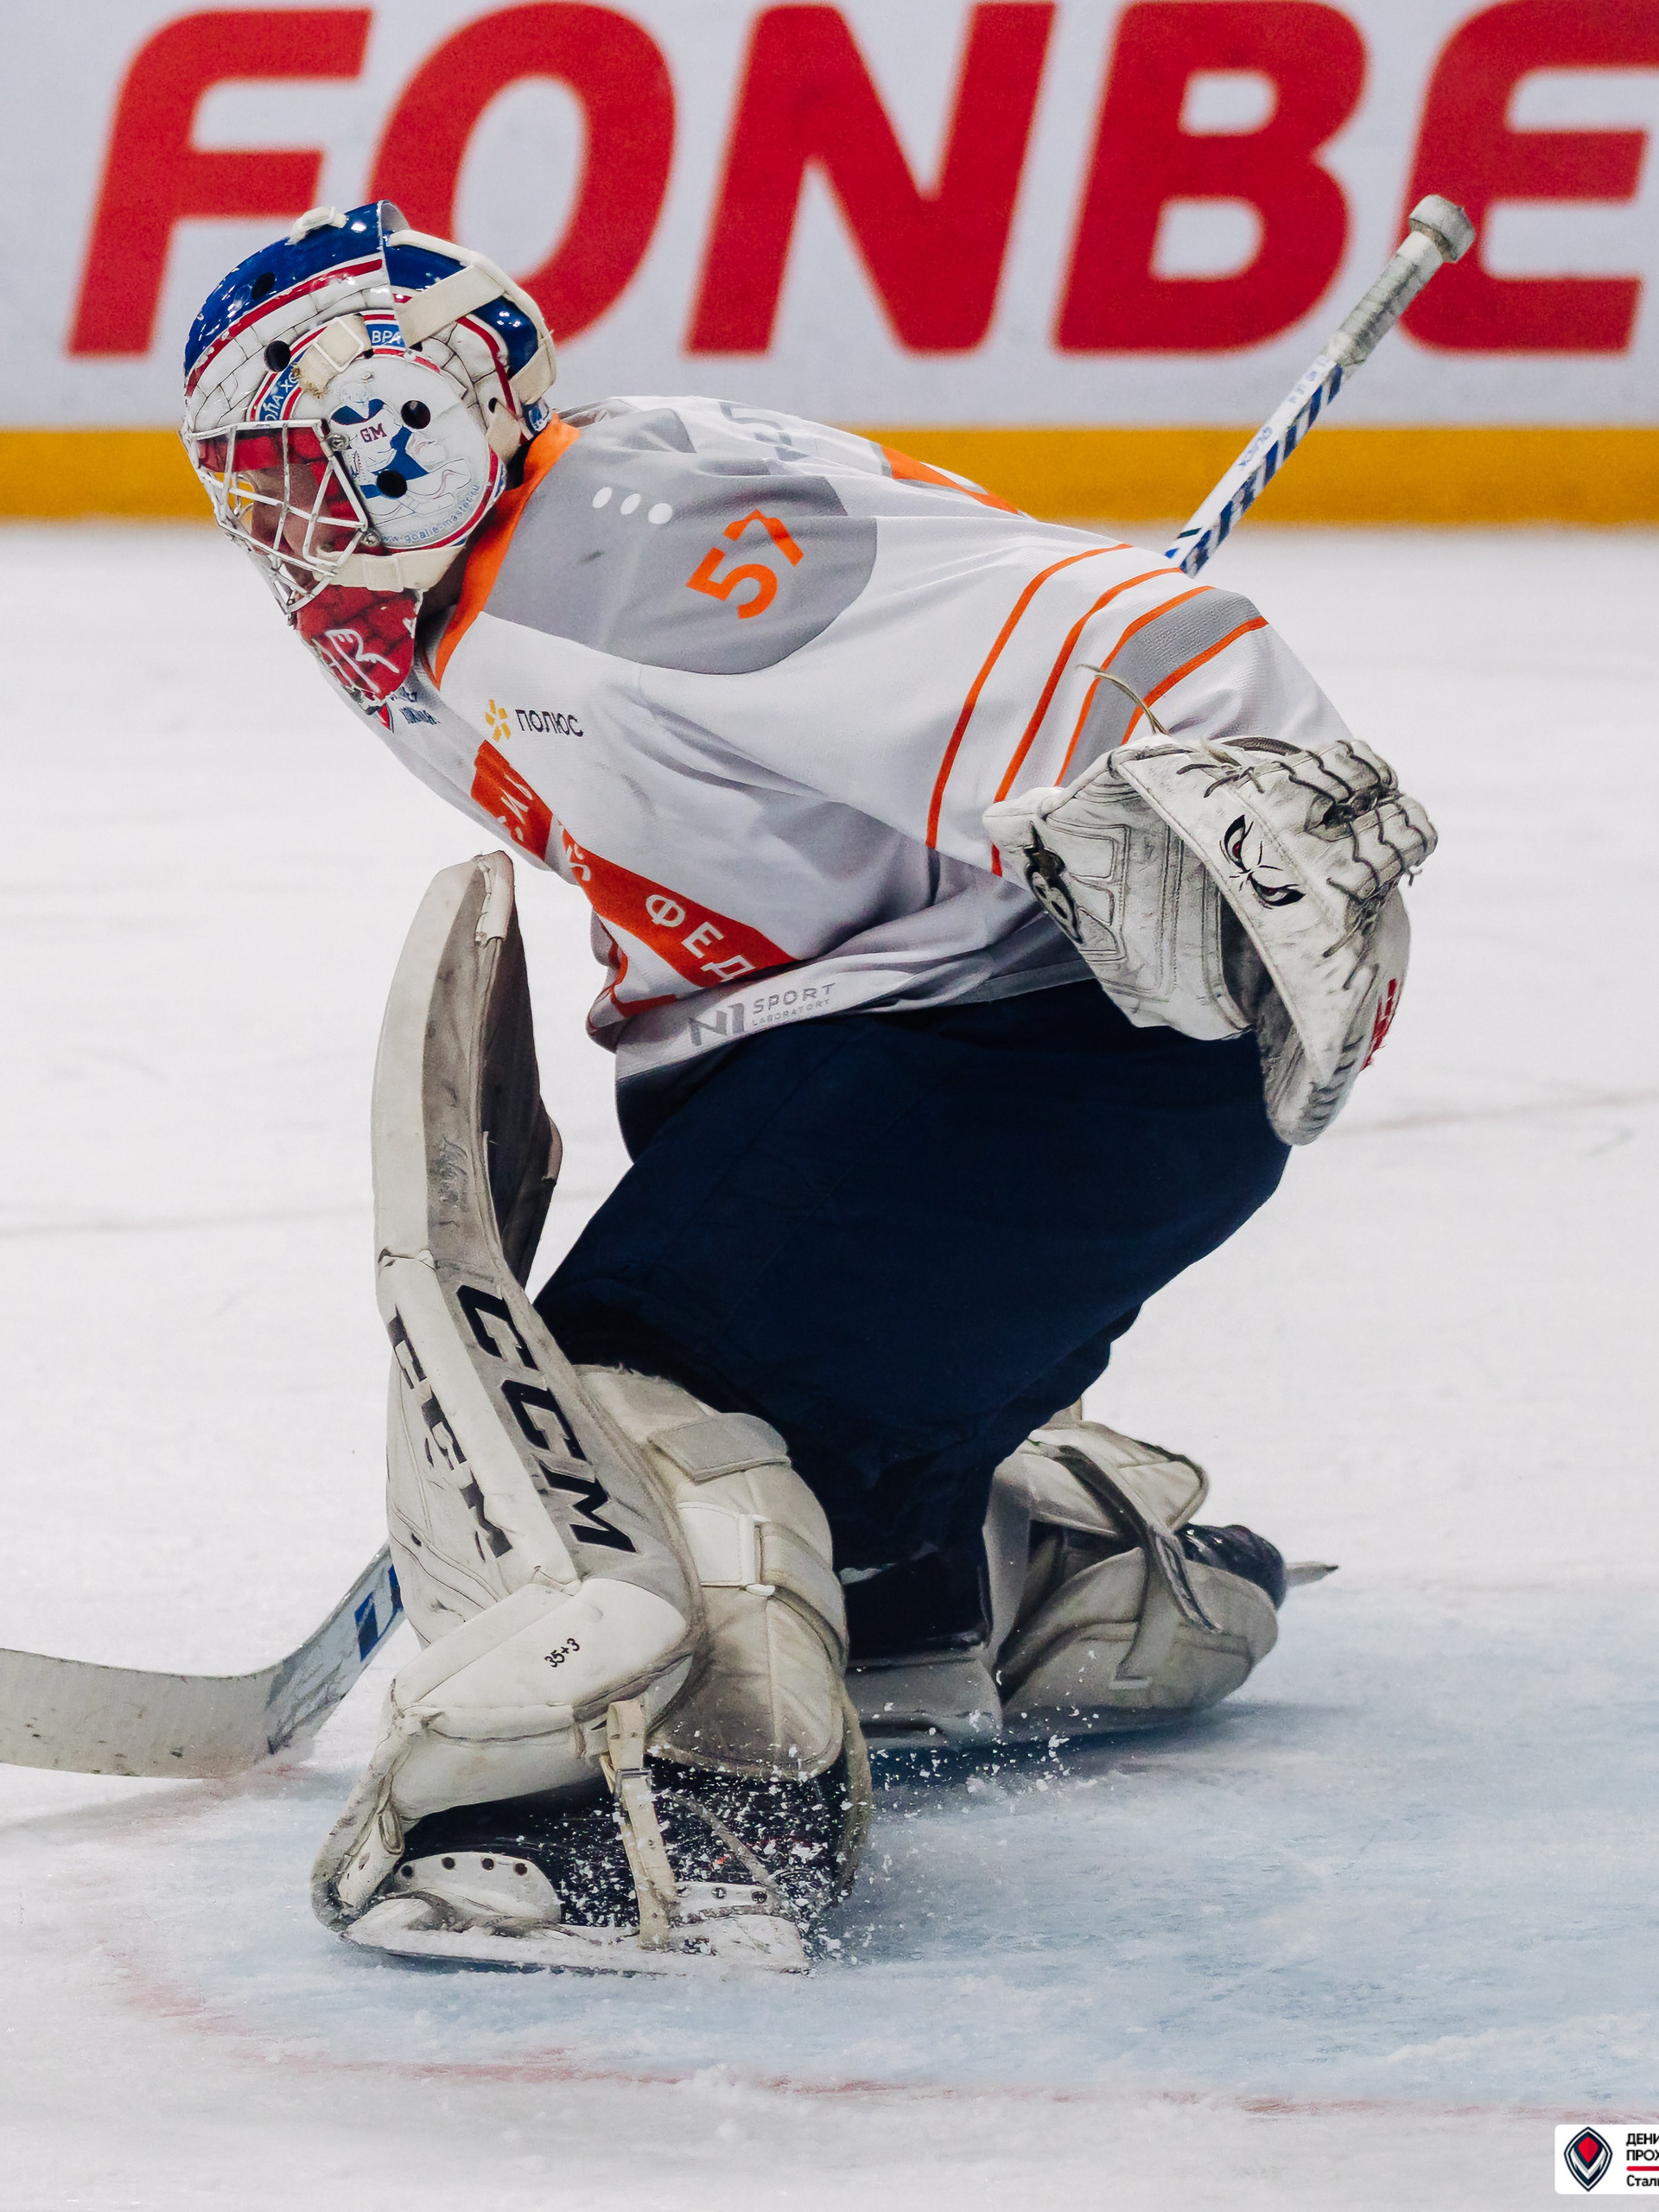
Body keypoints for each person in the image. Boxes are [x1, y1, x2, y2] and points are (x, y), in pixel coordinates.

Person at [181, 203, 1435, 1974]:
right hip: (927, 1032)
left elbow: (1079, 623)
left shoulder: (617, 538)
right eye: (253, 478)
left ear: (449, 401)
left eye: (326, 447)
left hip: (1051, 1047)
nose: (294, 515)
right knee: (674, 1309)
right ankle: (916, 1583)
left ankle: (675, 1809)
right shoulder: (466, 583)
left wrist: (1217, 738)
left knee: (610, 1420)